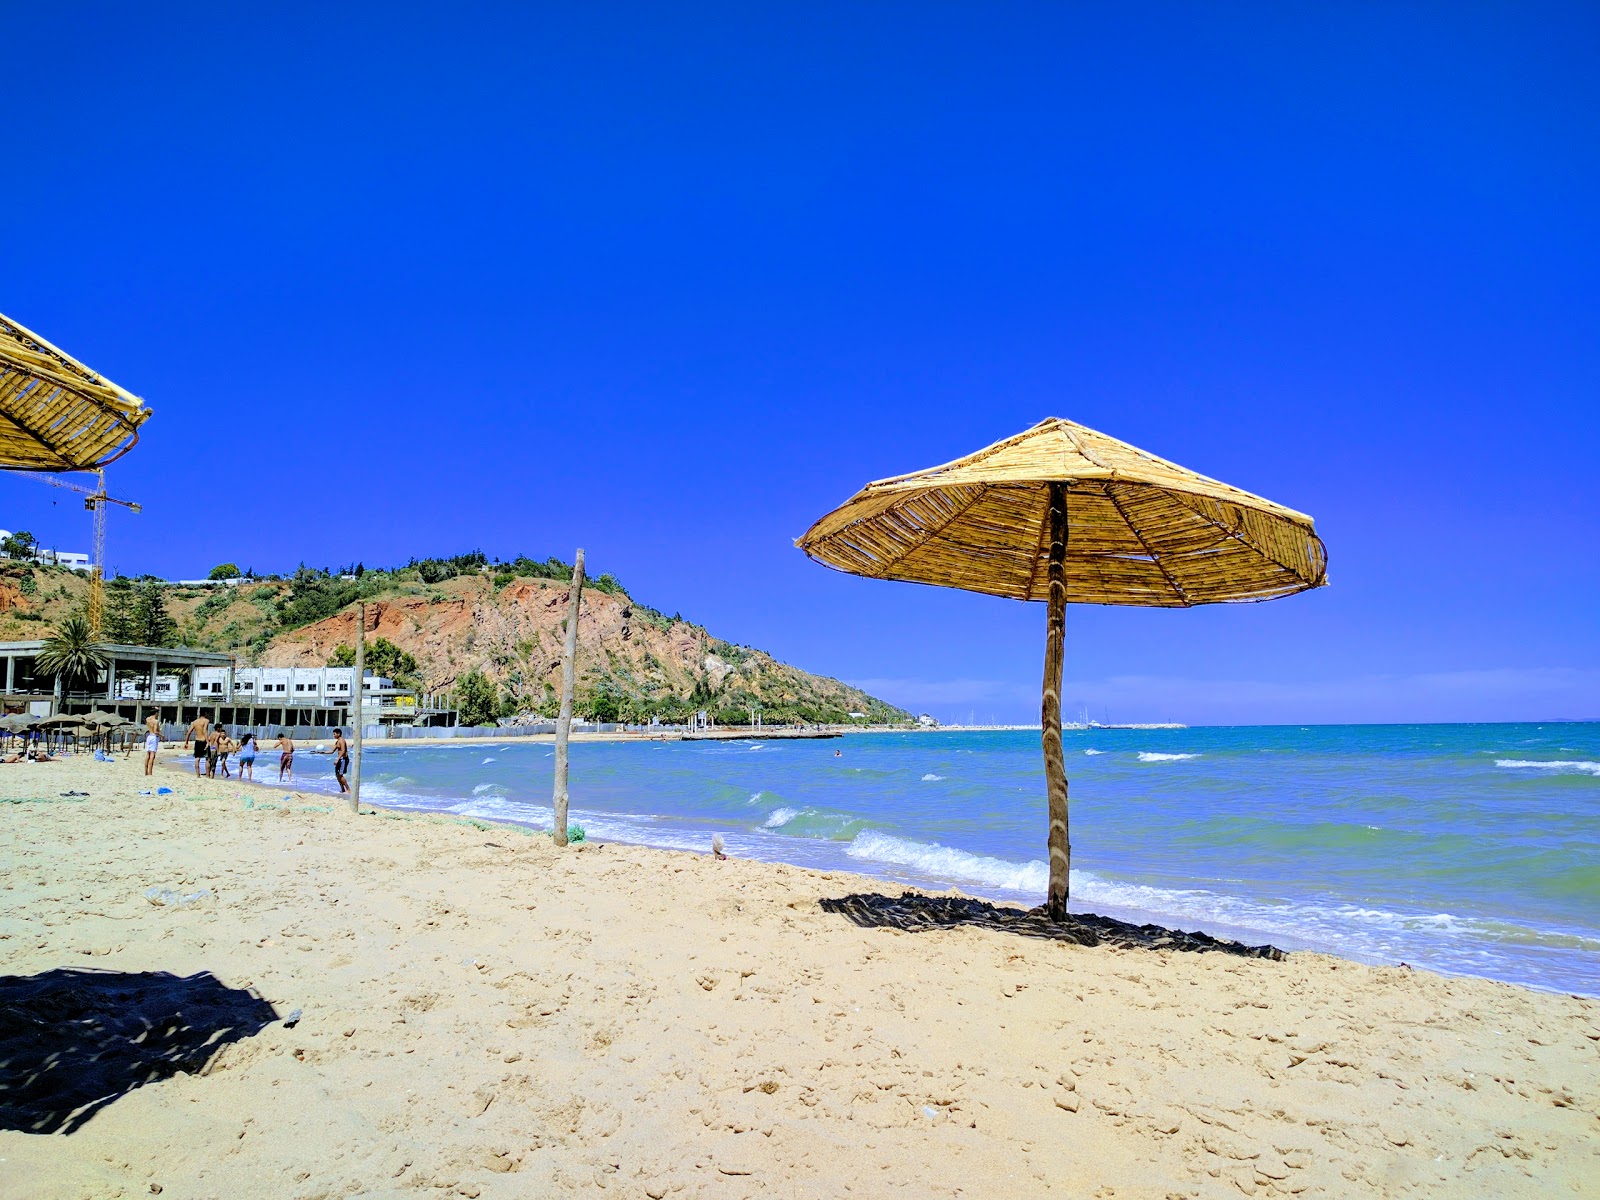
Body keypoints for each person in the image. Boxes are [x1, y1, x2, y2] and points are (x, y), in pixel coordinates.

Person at [331, 728, 350, 794]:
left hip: (343, 759)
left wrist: (337, 759)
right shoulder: (337, 741)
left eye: (334, 734)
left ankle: (348, 790)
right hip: (340, 759)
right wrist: (322, 752)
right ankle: (342, 789)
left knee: (340, 775)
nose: (333, 735)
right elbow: (332, 751)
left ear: (338, 734)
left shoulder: (342, 741)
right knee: (337, 775)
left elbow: (343, 751)